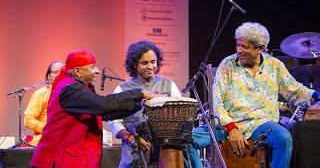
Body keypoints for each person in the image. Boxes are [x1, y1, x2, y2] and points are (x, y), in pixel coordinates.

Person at [213, 22, 320, 168]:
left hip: (261, 123)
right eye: (238, 45)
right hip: (230, 123)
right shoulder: (227, 64)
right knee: (189, 139)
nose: (239, 50)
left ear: (260, 48)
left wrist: (316, 95)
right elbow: (216, 100)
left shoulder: (274, 65)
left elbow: (293, 89)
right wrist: (231, 128)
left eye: (245, 47)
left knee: (283, 138)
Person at [31, 49, 157, 168]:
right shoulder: (70, 89)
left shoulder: (78, 87)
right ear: (78, 71)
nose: (97, 71)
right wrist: (139, 93)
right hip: (58, 161)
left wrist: (139, 104)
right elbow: (104, 105)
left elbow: (105, 114)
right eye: (92, 67)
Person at [107, 40, 204, 168]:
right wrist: (131, 138)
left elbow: (180, 116)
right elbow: (113, 121)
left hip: (165, 155)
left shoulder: (168, 85)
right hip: (134, 154)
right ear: (134, 65)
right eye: (144, 63)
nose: (150, 67)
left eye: (153, 62)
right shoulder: (123, 89)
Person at [24, 61, 64, 147]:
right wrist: (50, 129)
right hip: (45, 142)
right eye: (55, 72)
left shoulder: (71, 94)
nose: (59, 75)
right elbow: (28, 120)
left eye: (62, 72)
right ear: (49, 76)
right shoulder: (40, 94)